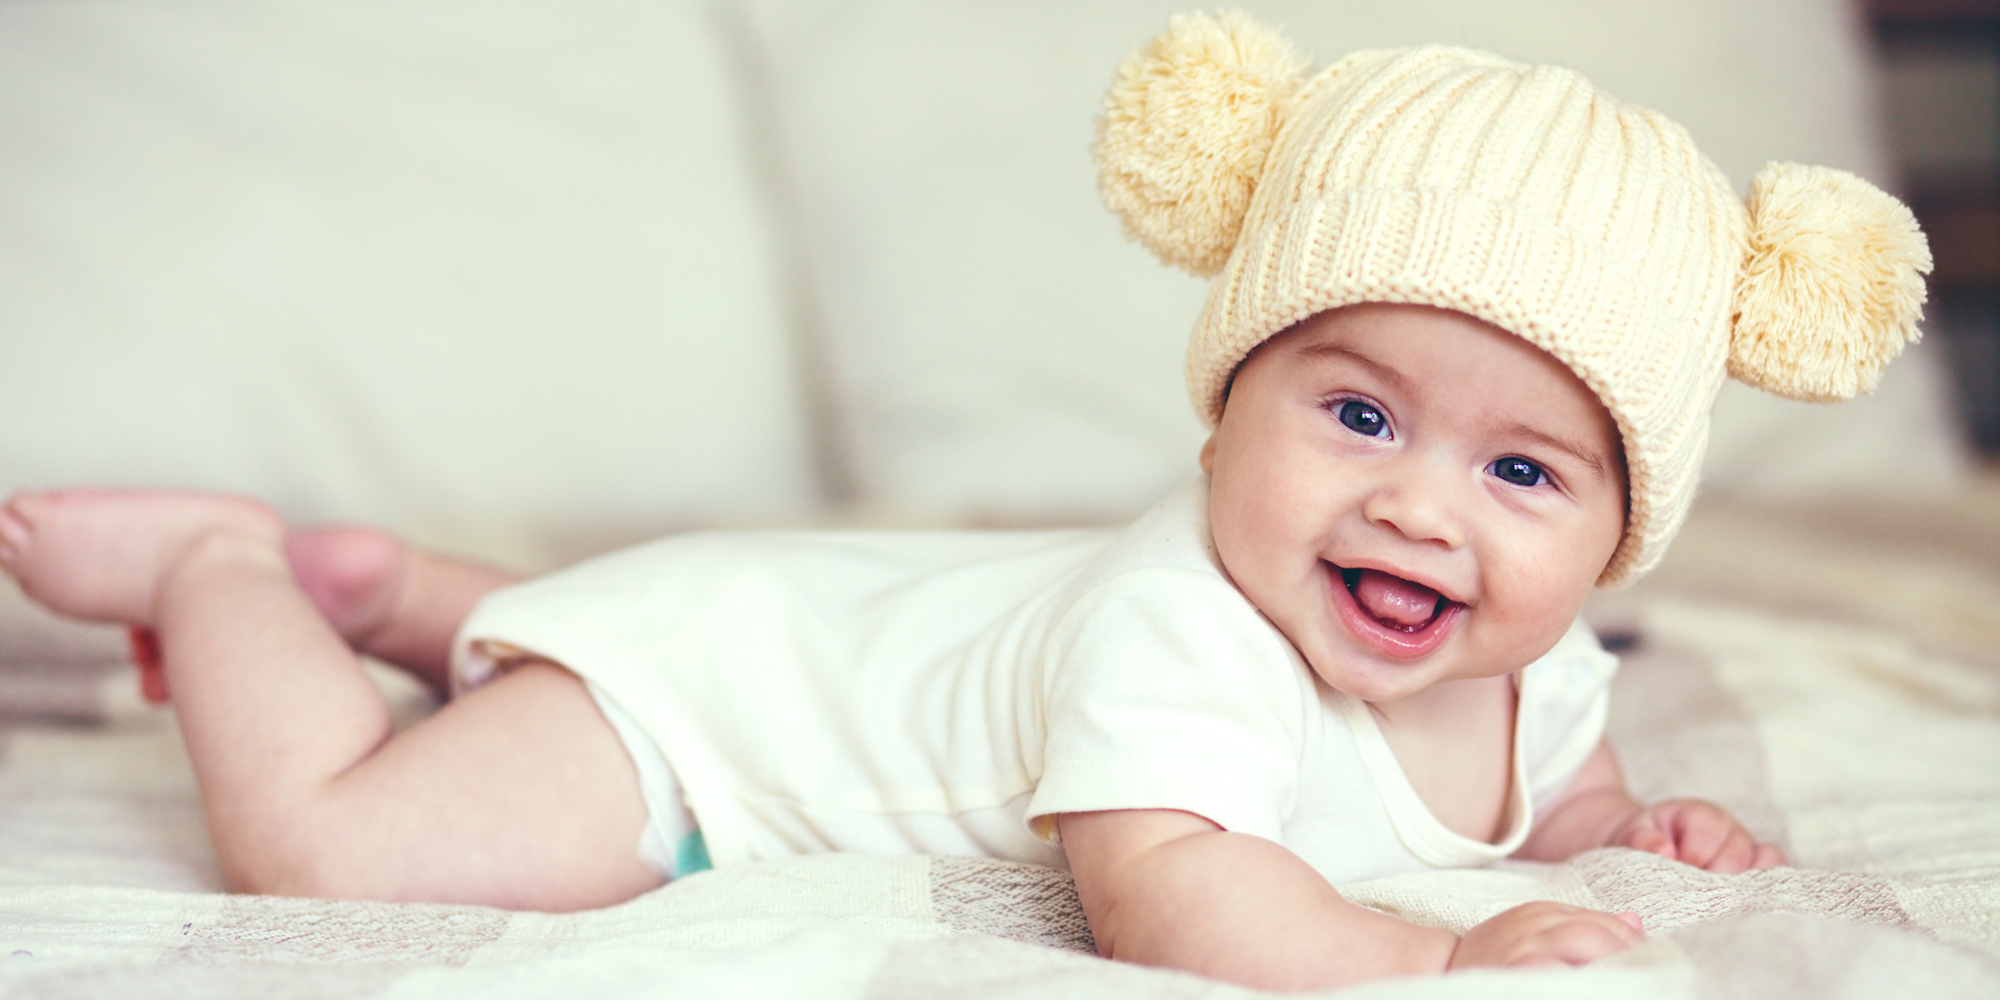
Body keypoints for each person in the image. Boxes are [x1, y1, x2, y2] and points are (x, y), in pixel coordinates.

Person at [0, 11, 1928, 991]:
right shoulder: (1182, 627)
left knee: (721, 618)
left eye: (1521, 471)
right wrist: (1423, 960)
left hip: (781, 616)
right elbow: (1166, 887)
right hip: (698, 734)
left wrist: (1624, 832)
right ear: (1225, 405)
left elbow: (1544, 799)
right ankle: (234, 563)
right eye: (1356, 413)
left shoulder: (1546, 666)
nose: (1425, 509)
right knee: (348, 849)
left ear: (1615, 534)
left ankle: (433, 602)